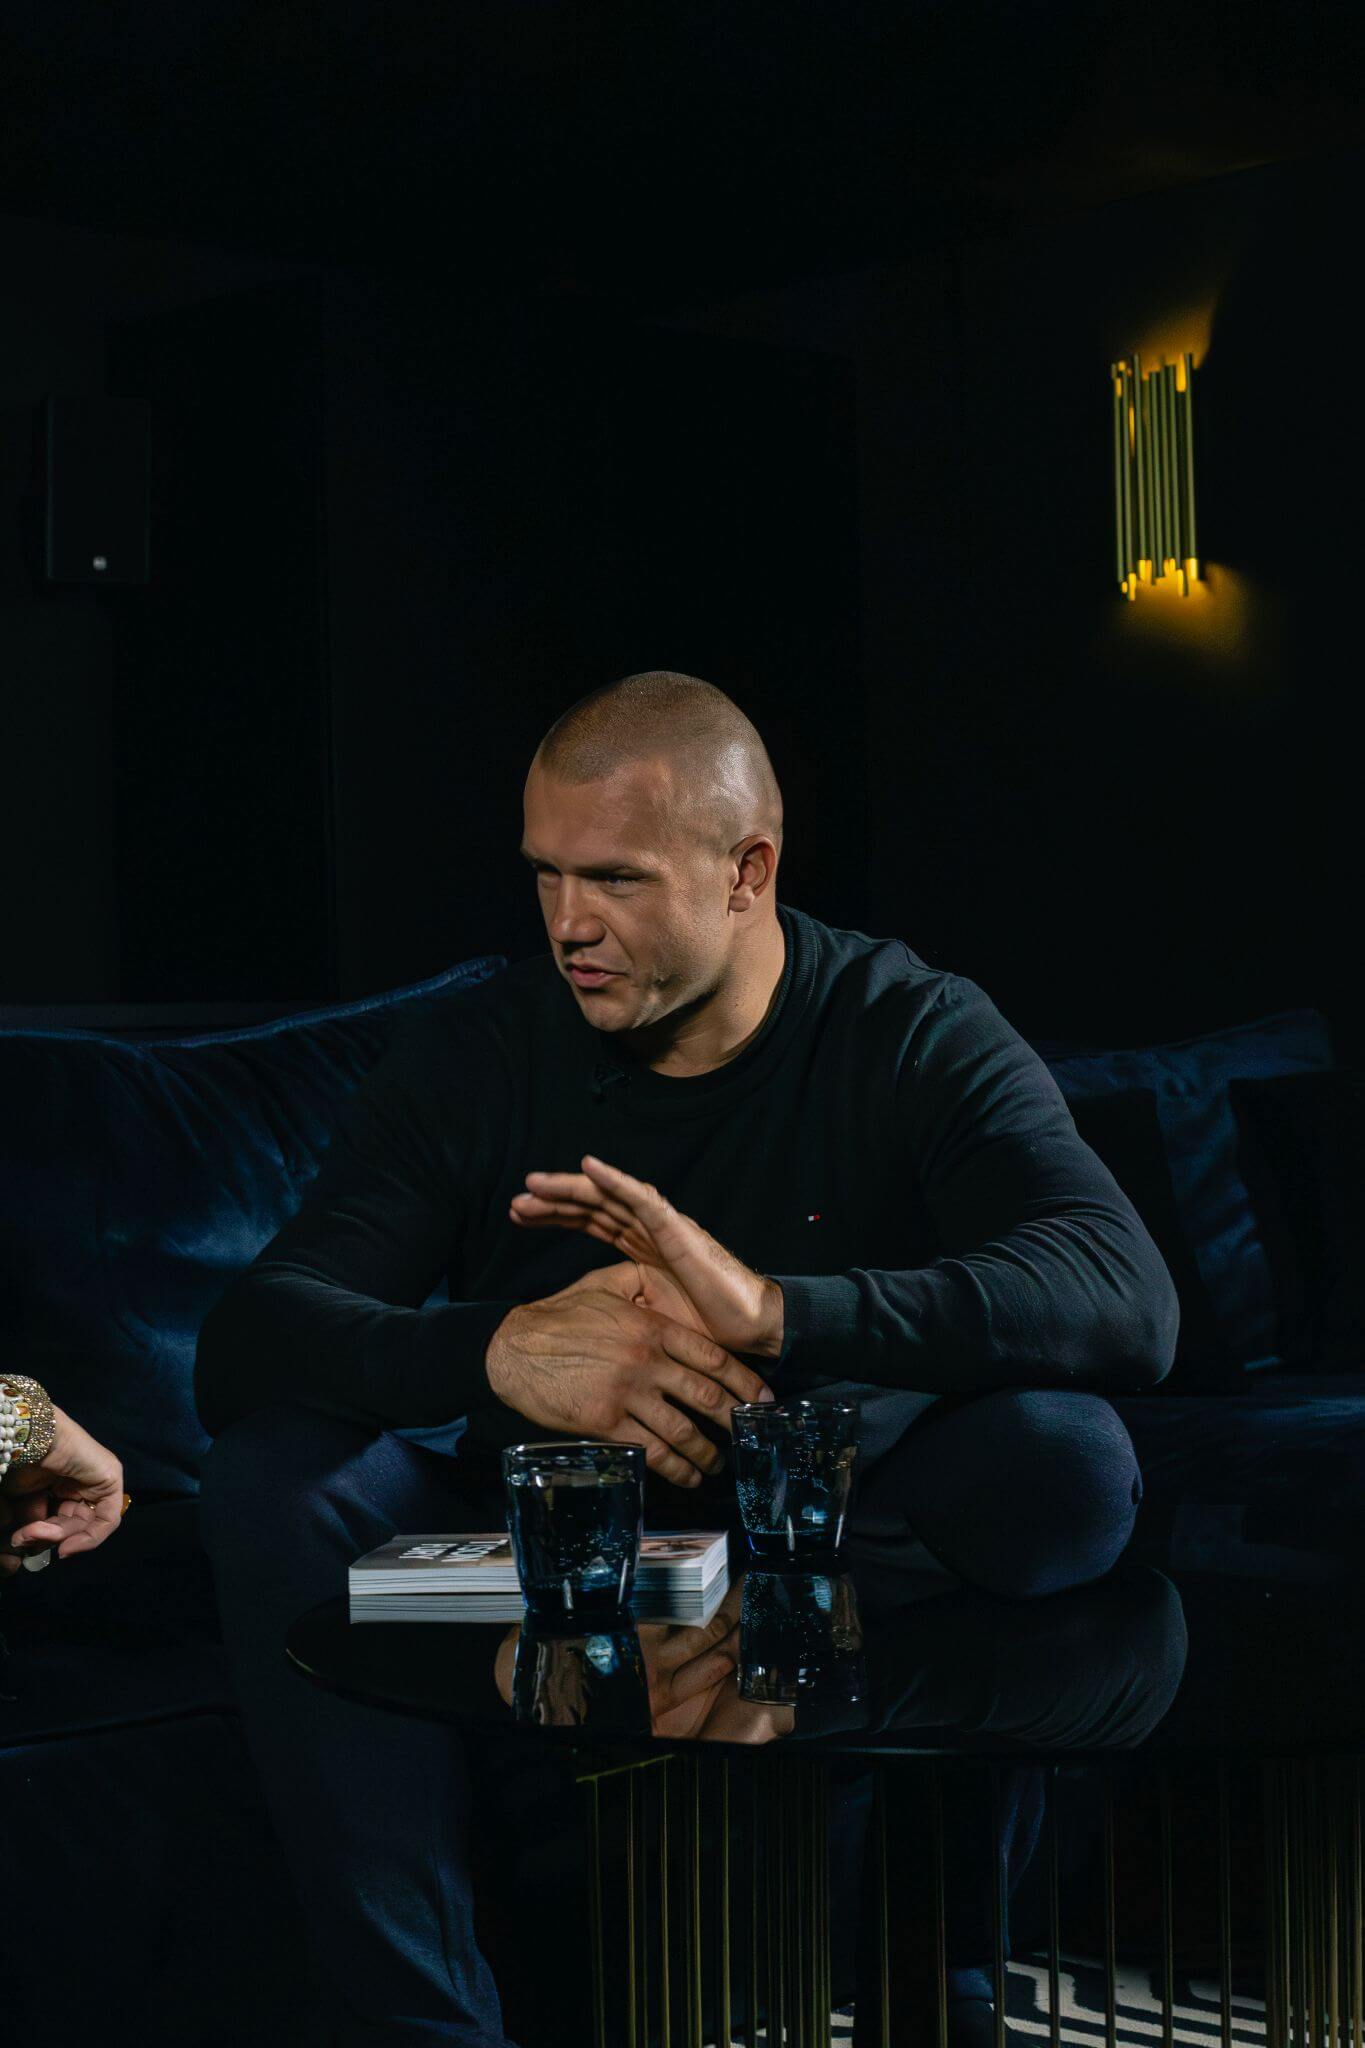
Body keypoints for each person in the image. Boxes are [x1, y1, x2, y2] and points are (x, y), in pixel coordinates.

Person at [195, 669, 1178, 2048]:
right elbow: (250, 1340)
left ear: (747, 871)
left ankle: (930, 1962)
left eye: (615, 879)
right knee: (271, 1479)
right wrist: (502, 1350)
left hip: (826, 1542)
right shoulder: (480, 1051)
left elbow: (1124, 1296)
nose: (568, 924)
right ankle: (424, 2033)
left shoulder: (905, 1024)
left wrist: (775, 1311)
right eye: (545, 875)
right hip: (552, 1546)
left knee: (1060, 1468)